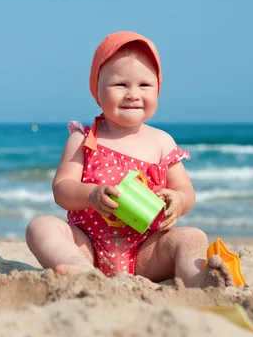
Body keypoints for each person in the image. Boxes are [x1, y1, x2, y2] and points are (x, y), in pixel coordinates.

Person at [26, 31, 233, 288]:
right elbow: (62, 189)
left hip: (146, 250)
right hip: (87, 245)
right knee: (41, 226)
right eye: (120, 85)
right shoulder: (83, 139)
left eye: (144, 85)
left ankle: (199, 281)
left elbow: (185, 190)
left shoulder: (161, 142)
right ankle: (81, 271)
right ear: (97, 91)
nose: (133, 94)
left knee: (192, 236)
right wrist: (91, 194)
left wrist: (178, 201)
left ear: (158, 90)